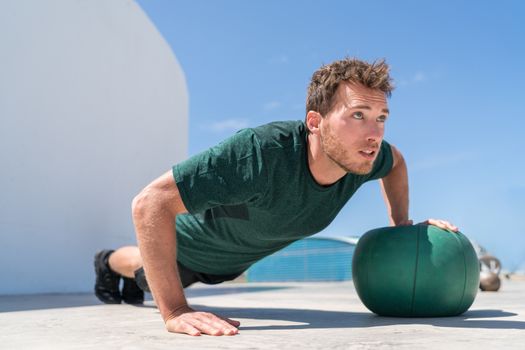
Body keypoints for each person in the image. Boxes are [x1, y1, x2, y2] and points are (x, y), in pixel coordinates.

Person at [94, 57, 458, 336]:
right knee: (146, 272)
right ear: (315, 122)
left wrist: (401, 226)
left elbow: (396, 163)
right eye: (358, 115)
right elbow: (150, 203)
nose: (374, 133)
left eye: (381, 117)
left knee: (182, 276)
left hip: (233, 261)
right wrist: (175, 311)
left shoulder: (364, 157)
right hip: (187, 246)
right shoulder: (260, 153)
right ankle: (107, 262)